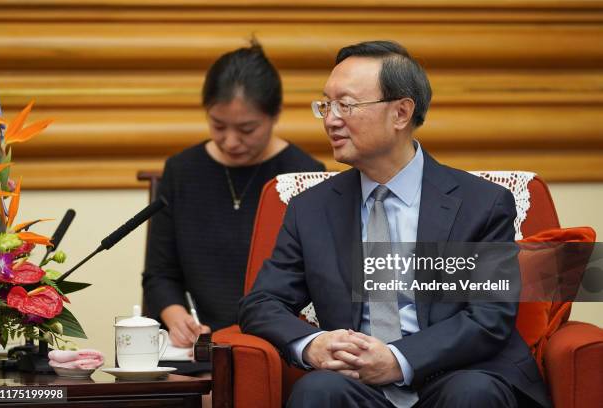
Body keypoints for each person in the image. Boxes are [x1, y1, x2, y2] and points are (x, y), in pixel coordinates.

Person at [239, 41, 551, 407]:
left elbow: (488, 317)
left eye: (346, 105)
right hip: (356, 385)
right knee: (318, 391)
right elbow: (262, 302)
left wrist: (397, 359)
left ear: (401, 113)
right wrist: (314, 344)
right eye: (326, 104)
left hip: (457, 374)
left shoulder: (481, 204)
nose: (330, 119)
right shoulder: (311, 209)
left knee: (473, 394)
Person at [142, 40, 325, 349]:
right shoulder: (182, 170)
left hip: (274, 344)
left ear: (275, 114)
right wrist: (177, 318)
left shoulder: (303, 174)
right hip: (197, 345)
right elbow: (159, 274)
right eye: (218, 125)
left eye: (247, 129)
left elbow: (315, 280)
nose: (230, 141)